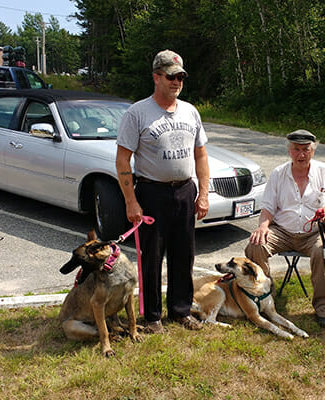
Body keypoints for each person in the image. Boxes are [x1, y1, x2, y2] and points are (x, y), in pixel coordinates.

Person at [115, 49, 210, 333]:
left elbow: (201, 155)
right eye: (171, 76)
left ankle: (181, 310)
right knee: (152, 258)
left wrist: (202, 193)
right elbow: (122, 159)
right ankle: (153, 317)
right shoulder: (137, 113)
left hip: (184, 192)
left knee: (184, 255)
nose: (177, 82)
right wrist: (131, 201)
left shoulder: (191, 111)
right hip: (151, 193)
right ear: (156, 77)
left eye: (181, 77)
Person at [245, 130, 325, 328]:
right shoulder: (278, 173)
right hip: (282, 231)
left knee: (324, 252)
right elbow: (268, 208)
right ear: (289, 151)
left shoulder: (324, 172)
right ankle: (265, 297)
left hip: (314, 232)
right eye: (296, 149)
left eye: (306, 150)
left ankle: (324, 306)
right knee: (255, 246)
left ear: (312, 151)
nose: (301, 154)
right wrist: (263, 226)